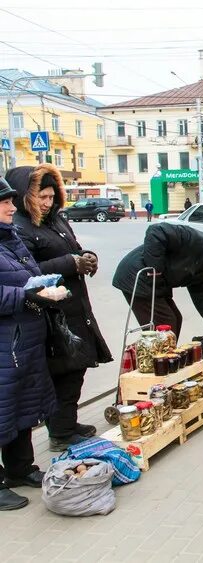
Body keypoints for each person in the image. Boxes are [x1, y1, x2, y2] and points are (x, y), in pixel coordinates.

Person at [7, 164, 113, 452]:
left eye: (51, 197)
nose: (47, 202)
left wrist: (85, 257)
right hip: (51, 313)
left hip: (73, 305)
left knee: (76, 367)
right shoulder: (20, 226)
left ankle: (67, 422)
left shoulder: (54, 220)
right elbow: (26, 272)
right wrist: (70, 263)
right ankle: (61, 432)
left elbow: (71, 249)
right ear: (24, 195)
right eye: (41, 196)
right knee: (65, 370)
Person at [0, 178, 57, 510]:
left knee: (20, 407)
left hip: (22, 342)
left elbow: (30, 275)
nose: (12, 207)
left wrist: (45, 290)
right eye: (5, 203)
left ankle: (20, 469)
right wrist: (25, 295)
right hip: (6, 343)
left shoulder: (12, 239)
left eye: (11, 201)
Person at [112, 223, 203, 344]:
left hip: (157, 285)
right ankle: (158, 362)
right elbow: (156, 231)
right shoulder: (192, 238)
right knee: (166, 323)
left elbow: (202, 297)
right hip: (137, 277)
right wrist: (155, 267)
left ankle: (165, 358)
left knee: (175, 318)